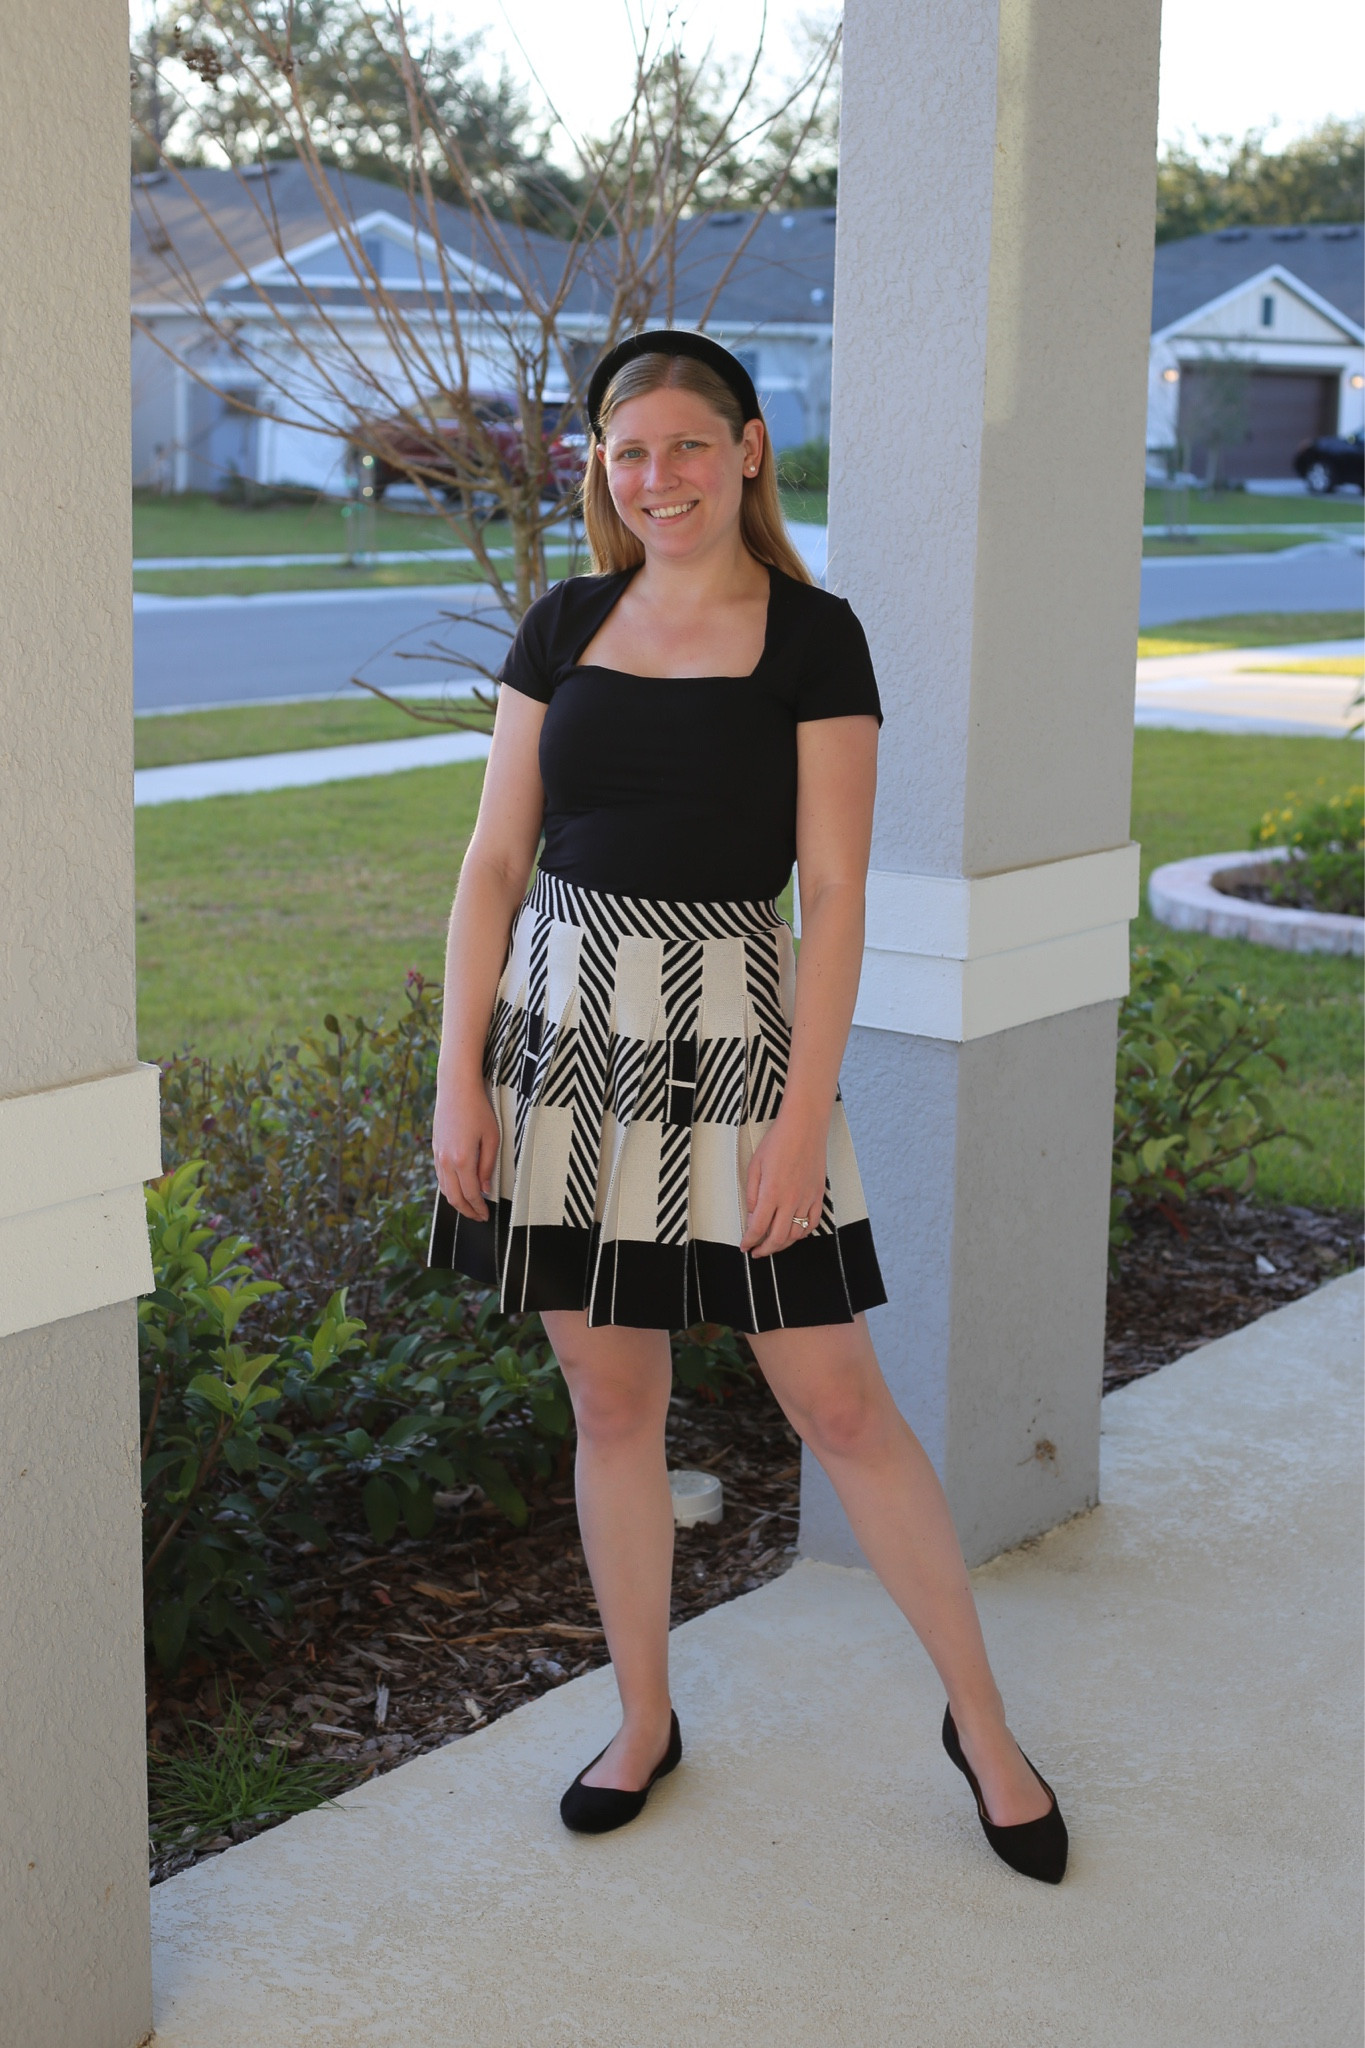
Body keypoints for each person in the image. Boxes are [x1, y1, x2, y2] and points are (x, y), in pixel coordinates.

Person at [428, 330, 1068, 1883]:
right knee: (610, 1401)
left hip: (735, 1049)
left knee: (839, 1403)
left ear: (750, 449)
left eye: (684, 447)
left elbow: (834, 897)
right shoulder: (565, 622)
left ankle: (980, 1726)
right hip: (561, 1044)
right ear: (600, 466)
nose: (655, 478)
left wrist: (800, 1118)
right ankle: (642, 1716)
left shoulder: (813, 636)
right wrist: (456, 1076)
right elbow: (494, 864)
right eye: (624, 452)